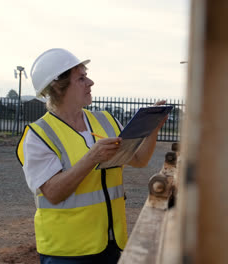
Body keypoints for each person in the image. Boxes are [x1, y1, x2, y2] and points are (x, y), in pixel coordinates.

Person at [16, 48, 167, 264]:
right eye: (81, 78)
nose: (91, 82)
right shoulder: (39, 135)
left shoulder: (105, 120)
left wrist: (152, 128)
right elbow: (54, 193)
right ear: (59, 87)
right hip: (67, 252)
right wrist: (91, 158)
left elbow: (139, 159)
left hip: (111, 243)